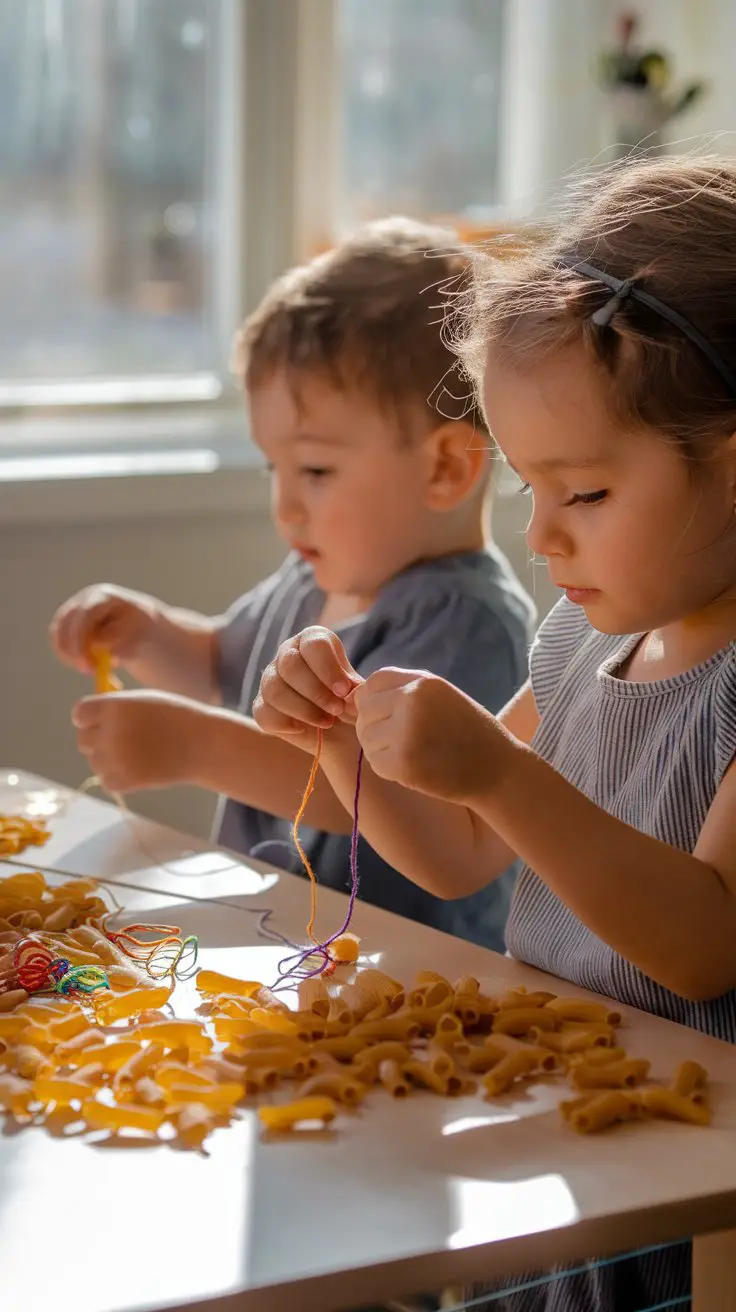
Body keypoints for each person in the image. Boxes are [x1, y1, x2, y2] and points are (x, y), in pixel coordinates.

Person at [252, 158, 736, 1310]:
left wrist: (505, 776)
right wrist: (340, 748)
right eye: (530, 490)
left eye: (586, 494)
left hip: (684, 1197)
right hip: (563, 1128)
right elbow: (460, 851)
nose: (544, 540)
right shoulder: (578, 641)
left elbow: (704, 944)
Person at [51, 217, 535, 952]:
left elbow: (369, 793)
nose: (284, 502)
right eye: (272, 468)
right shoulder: (313, 574)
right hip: (285, 940)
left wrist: (193, 748)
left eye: (314, 470)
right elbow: (223, 665)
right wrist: (148, 632)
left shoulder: (464, 619)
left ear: (446, 469)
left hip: (410, 968)